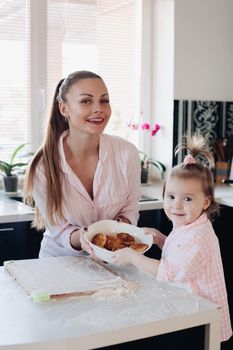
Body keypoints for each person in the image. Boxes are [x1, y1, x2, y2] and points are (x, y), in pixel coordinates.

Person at [113, 134, 232, 342]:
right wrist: (160, 239)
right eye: (171, 196)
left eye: (187, 198)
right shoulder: (190, 225)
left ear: (205, 202)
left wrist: (132, 257)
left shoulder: (198, 236)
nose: (176, 205)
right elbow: (180, 252)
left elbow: (169, 272)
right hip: (190, 311)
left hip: (203, 319)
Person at [24, 70, 141, 258]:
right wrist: (87, 238)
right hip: (59, 266)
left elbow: (130, 207)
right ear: (64, 109)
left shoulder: (127, 153)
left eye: (104, 100)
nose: (99, 109)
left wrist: (116, 233)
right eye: (86, 101)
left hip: (115, 262)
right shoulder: (42, 166)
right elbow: (59, 230)